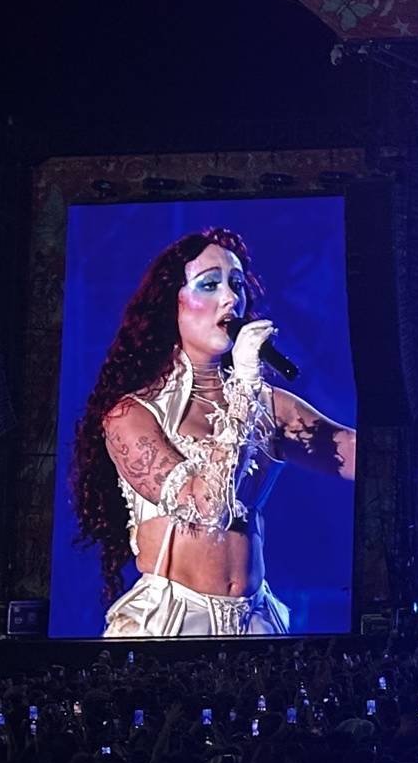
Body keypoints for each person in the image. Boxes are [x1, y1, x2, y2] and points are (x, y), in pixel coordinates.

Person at [69, 228, 356, 635]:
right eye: (209, 284)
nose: (230, 298)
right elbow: (207, 509)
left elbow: (360, 456)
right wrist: (245, 385)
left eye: (236, 284)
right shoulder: (131, 415)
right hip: (170, 625)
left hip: (257, 621)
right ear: (171, 303)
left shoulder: (266, 404)